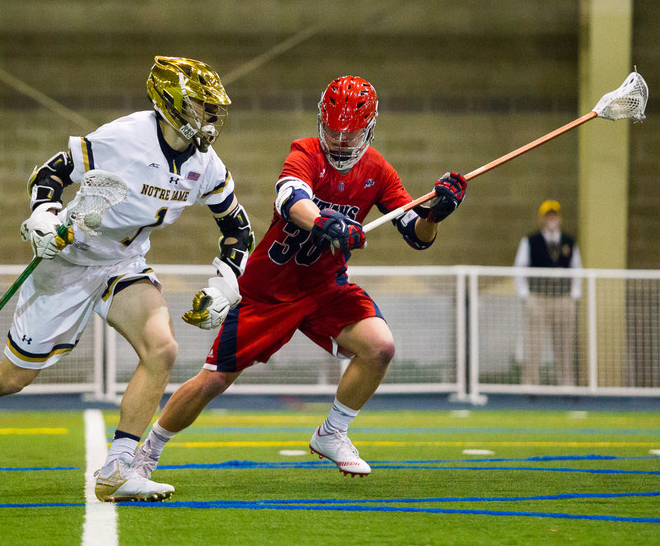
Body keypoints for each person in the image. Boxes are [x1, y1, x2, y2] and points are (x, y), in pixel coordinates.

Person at [0, 56, 255, 503]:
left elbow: (237, 230)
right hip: (69, 256)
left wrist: (224, 284)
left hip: (121, 262)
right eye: (201, 106)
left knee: (161, 347)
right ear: (172, 104)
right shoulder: (125, 137)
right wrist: (44, 217)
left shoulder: (207, 165)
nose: (210, 117)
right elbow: (51, 173)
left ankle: (118, 469)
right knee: (11, 378)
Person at [132, 76, 466, 484]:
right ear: (320, 122)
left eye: (353, 133)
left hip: (326, 287)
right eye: (333, 131)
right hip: (268, 291)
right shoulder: (305, 151)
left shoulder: (378, 170)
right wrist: (329, 224)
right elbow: (291, 200)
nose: (342, 142)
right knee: (214, 379)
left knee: (380, 347)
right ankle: (146, 453)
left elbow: (417, 237)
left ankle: (333, 432)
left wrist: (435, 213)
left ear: (371, 128)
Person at [513, 199, 582, 386]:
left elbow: (577, 269)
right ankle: (531, 385)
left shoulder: (569, 242)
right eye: (548, 216)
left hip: (562, 298)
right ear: (542, 219)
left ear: (559, 218)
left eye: (554, 215)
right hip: (538, 298)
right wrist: (526, 294)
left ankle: (566, 385)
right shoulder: (531, 240)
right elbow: (519, 268)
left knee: (564, 345)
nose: (551, 219)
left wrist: (574, 295)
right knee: (534, 345)